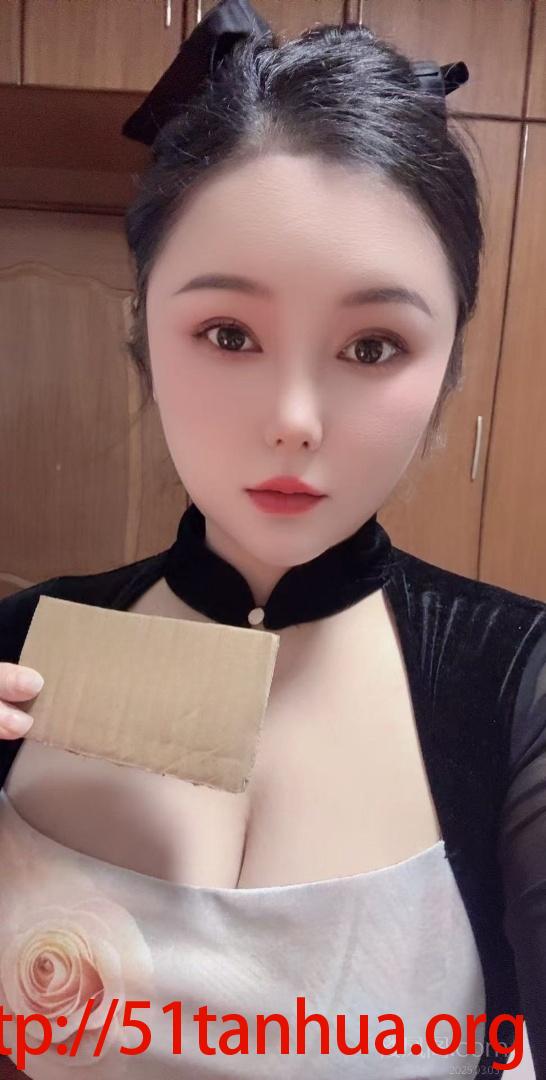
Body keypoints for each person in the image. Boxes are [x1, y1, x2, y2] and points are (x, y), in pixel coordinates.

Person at [0, 4, 545, 1077]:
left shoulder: (517, 686)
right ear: (144, 336)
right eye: (228, 333)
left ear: (448, 368)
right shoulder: (24, 648)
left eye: (372, 345)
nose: (295, 418)